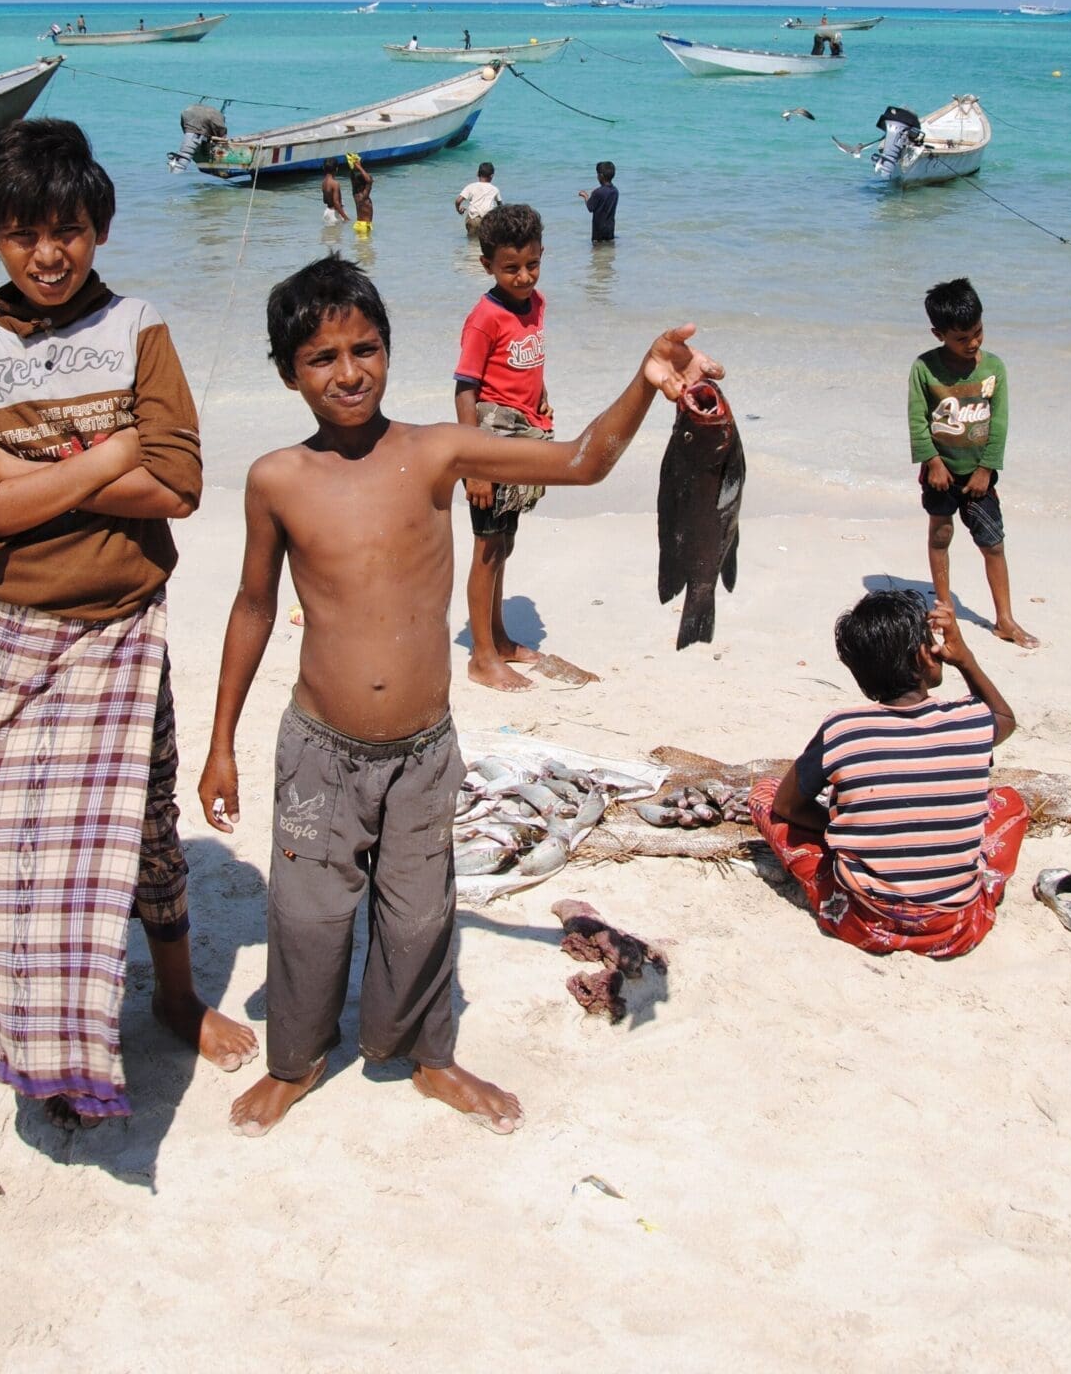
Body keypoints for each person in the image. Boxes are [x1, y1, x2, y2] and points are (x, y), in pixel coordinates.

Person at [197, 253, 721, 1135]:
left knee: (418, 918)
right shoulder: (276, 479)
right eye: (322, 359)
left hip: (421, 748)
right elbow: (253, 605)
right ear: (290, 373)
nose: (348, 372)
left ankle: (425, 1056)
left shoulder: (435, 450)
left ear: (391, 352)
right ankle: (296, 1061)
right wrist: (221, 743)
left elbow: (583, 461)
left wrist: (643, 382)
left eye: (365, 349)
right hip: (319, 749)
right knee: (308, 917)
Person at [0, 119, 256, 1131]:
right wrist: (107, 457)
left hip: (119, 631)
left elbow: (181, 485)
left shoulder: (136, 330)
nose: (48, 253)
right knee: (4, 847)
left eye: (67, 229)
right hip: (9, 634)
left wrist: (30, 477)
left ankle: (169, 993)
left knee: (149, 830)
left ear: (100, 228)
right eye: (24, 233)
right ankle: (40, 1036)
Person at [749, 590, 1028, 959]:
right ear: (922, 656)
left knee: (764, 795)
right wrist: (965, 660)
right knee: (1009, 803)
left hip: (866, 923)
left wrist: (841, 831)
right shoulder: (969, 720)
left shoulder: (843, 730)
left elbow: (785, 803)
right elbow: (1005, 720)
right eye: (933, 643)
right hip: (956, 927)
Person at [454, 204, 557, 690]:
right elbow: (465, 390)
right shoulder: (484, 318)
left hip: (524, 434)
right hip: (489, 443)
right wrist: (474, 465)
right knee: (487, 548)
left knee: (505, 542)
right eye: (510, 267)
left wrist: (543, 404)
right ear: (487, 266)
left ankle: (497, 634)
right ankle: (481, 655)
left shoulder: (537, 304)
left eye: (532, 264)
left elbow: (530, 367)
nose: (523, 276)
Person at [909, 277, 1037, 647]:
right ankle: (945, 608)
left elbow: (999, 423)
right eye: (962, 338)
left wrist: (986, 469)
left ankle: (1005, 619)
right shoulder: (924, 369)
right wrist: (932, 462)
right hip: (939, 473)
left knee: (993, 543)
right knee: (941, 535)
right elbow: (917, 419)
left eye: (978, 332)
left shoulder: (993, 368)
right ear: (939, 334)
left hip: (978, 476)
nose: (974, 342)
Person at [454, 161, 501, 236]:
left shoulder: (471, 186)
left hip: (473, 219)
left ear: (477, 173)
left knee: (472, 241)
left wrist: (458, 209)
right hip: (488, 220)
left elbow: (458, 201)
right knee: (486, 241)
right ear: (492, 176)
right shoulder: (495, 189)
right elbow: (500, 207)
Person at [578, 161, 619, 243]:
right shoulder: (615, 191)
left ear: (601, 176)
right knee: (609, 251)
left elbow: (590, 208)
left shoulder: (598, 192)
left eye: (597, 174)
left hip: (598, 232)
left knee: (597, 252)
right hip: (610, 229)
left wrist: (585, 196)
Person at [347, 152, 373, 235]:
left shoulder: (356, 195)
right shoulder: (364, 196)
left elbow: (352, 179)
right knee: (366, 247)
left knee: (360, 246)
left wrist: (352, 167)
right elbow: (369, 181)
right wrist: (359, 166)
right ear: (364, 185)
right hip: (364, 226)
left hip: (357, 224)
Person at [321, 157, 348, 223]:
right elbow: (336, 203)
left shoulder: (323, 183)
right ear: (336, 169)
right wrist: (345, 217)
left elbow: (325, 201)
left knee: (328, 233)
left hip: (327, 212)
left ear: (323, 168)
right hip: (334, 214)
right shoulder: (335, 184)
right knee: (337, 232)